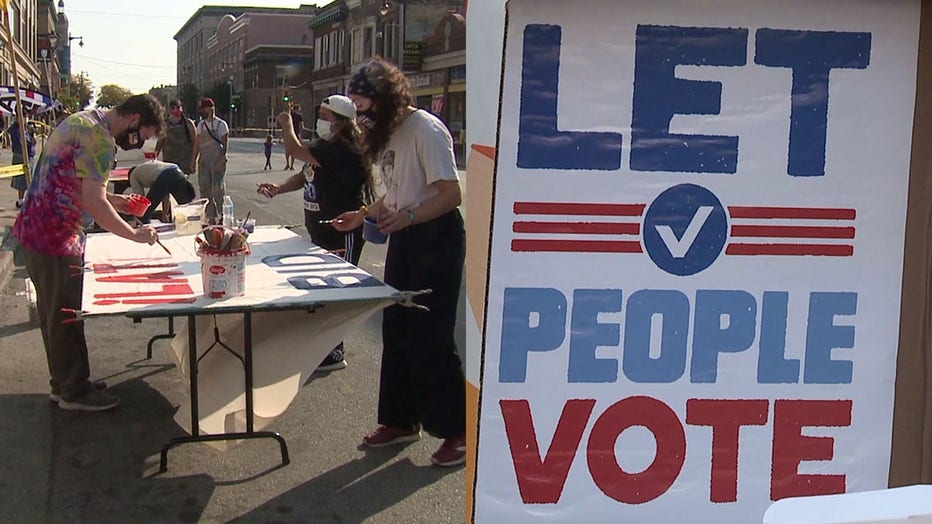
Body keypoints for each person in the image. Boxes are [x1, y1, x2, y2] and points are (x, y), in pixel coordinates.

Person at [333, 58, 466, 467]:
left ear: (385, 99)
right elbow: (396, 191)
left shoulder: (425, 129)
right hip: (404, 239)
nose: (361, 115)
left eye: (363, 105)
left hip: (436, 238)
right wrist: (364, 214)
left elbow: (450, 194)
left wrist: (407, 217)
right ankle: (401, 421)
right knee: (398, 330)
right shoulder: (388, 133)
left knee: (431, 336)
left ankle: (459, 430)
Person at [12, 94, 163, 411]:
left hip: (38, 231)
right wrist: (135, 233)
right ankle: (74, 391)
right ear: (134, 119)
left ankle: (66, 382)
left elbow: (81, 185)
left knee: (58, 314)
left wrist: (119, 202)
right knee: (65, 314)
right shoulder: (100, 139)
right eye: (141, 136)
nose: (137, 143)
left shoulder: (82, 120)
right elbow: (93, 202)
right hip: (54, 236)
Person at [257, 95, 374, 371]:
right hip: (320, 229)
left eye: (325, 116)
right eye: (319, 114)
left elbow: (295, 150)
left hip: (342, 229)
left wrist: (286, 125)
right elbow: (305, 173)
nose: (320, 121)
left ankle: (334, 352)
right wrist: (278, 188)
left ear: (341, 123)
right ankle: (322, 346)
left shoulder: (344, 148)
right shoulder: (325, 146)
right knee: (321, 290)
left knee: (336, 290)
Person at [192, 97, 229, 223]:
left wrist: (221, 160)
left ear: (210, 109)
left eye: (204, 108)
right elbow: (197, 144)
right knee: (205, 188)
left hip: (217, 160)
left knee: (217, 188)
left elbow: (225, 146)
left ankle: (222, 213)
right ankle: (210, 216)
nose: (202, 111)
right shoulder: (200, 126)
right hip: (204, 161)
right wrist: (193, 161)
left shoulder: (221, 125)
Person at [127, 160, 197, 223]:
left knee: (145, 213)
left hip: (165, 174)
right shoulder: (146, 168)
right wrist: (164, 214)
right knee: (187, 208)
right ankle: (193, 227)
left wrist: (134, 215)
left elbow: (140, 200)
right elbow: (165, 195)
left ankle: (145, 230)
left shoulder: (133, 175)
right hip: (177, 171)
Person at [155, 99, 197, 175]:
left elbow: (195, 143)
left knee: (183, 184)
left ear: (181, 108)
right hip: (169, 161)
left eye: (178, 107)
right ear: (170, 109)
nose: (176, 110)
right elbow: (160, 141)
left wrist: (193, 160)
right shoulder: (165, 124)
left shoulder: (188, 123)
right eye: (173, 108)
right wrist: (154, 157)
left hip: (184, 162)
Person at [8, 116, 37, 208]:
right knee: (22, 180)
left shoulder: (24, 128)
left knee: (28, 179)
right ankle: (21, 200)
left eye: (26, 117)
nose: (26, 119)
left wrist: (32, 134)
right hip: (22, 156)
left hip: (28, 155)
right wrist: (31, 142)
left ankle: (24, 199)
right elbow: (22, 144)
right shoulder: (16, 129)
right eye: (24, 117)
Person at [284, 103, 305, 170]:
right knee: (294, 149)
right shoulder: (299, 116)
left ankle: (287, 164)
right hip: (296, 133)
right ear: (298, 109)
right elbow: (302, 126)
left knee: (288, 149)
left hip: (288, 133)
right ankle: (292, 166)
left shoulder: (289, 115)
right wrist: (300, 134)